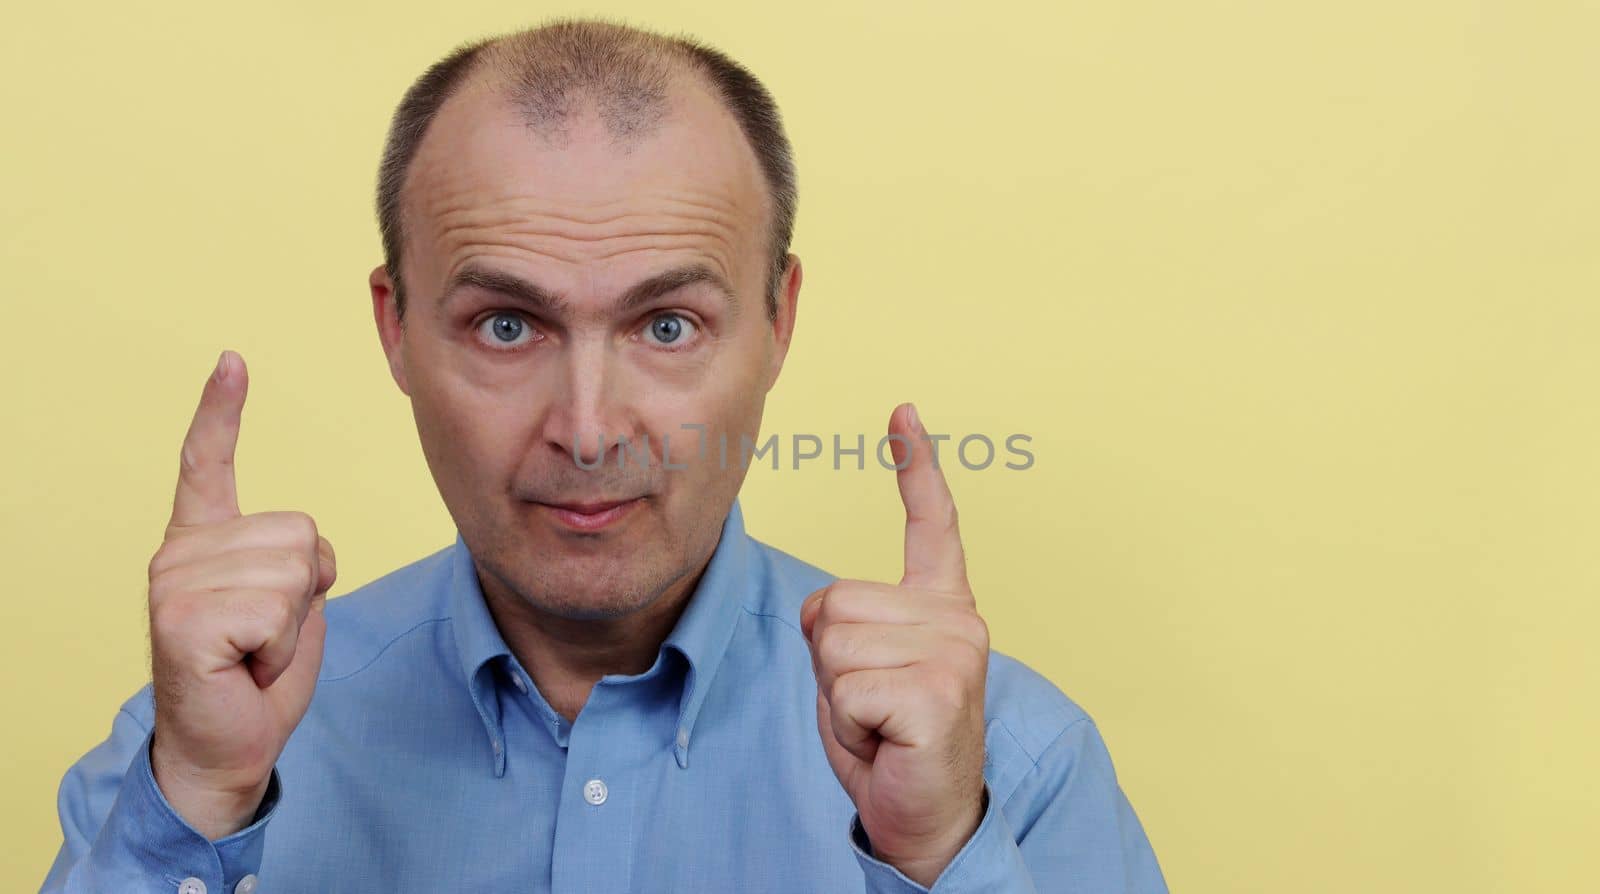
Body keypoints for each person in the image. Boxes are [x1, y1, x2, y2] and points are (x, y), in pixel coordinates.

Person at [41, 17, 1167, 894]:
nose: (587, 429)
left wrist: (933, 860)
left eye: (666, 326)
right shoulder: (187, 754)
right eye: (505, 325)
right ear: (395, 327)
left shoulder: (1008, 764)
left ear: (778, 321)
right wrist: (197, 801)